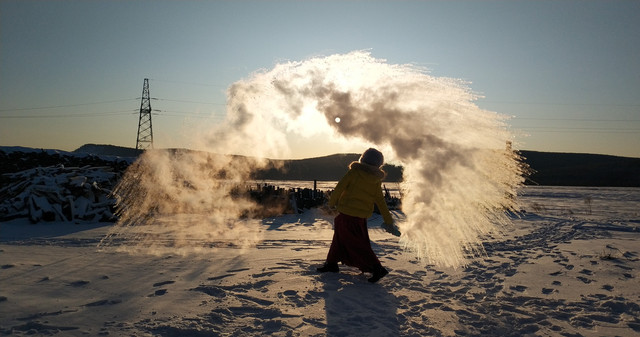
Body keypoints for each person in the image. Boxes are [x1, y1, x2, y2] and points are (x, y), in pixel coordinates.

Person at [317, 148, 400, 283]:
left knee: (357, 244)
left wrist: (331, 203)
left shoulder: (354, 172)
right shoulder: (375, 181)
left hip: (346, 214)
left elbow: (340, 187)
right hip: (360, 218)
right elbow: (381, 202)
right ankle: (331, 263)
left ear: (363, 158)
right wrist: (388, 221)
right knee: (339, 238)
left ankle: (377, 268)